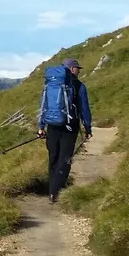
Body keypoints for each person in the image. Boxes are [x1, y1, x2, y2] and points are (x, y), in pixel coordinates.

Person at [36, 57, 92, 203]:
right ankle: (55, 192)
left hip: (52, 125)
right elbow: (84, 108)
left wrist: (41, 127)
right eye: (77, 68)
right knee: (65, 158)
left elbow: (43, 106)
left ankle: (51, 190)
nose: (78, 71)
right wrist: (87, 127)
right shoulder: (79, 86)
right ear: (71, 69)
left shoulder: (49, 85)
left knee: (53, 158)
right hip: (70, 126)